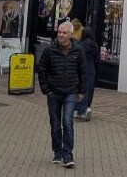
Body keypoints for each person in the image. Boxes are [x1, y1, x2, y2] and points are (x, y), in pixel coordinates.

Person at [38, 20, 86, 169]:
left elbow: (83, 71)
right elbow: (42, 69)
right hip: (54, 92)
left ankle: (68, 155)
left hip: (71, 91)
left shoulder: (78, 50)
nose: (61, 35)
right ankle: (57, 151)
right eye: (59, 32)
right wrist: (46, 89)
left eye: (64, 32)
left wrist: (82, 91)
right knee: (55, 124)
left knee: (67, 122)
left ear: (71, 34)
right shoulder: (50, 50)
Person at [74, 26, 99, 121]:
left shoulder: (80, 45)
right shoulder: (95, 45)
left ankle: (79, 109)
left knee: (81, 87)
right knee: (89, 88)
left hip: (82, 67)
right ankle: (87, 107)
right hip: (91, 68)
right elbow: (97, 59)